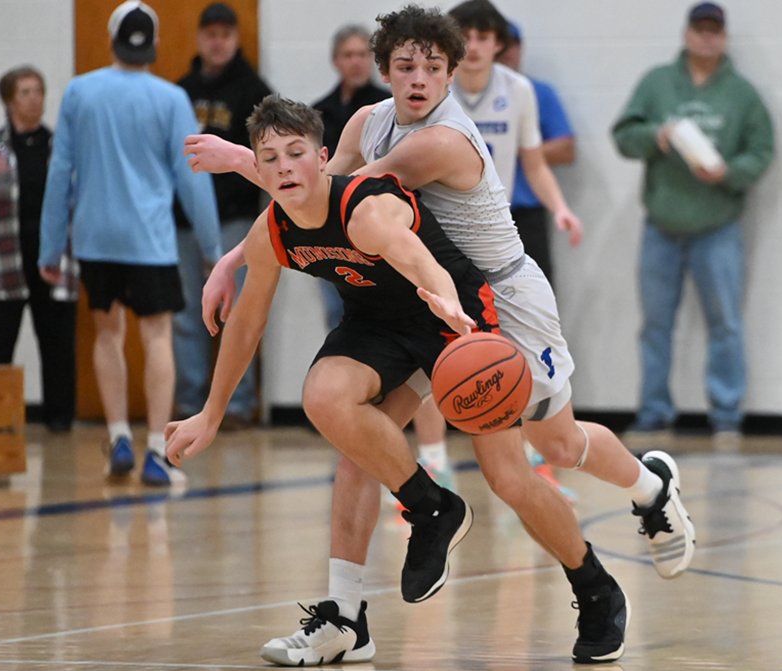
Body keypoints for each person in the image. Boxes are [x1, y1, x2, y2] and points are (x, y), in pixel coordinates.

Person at [185, 6, 695, 665]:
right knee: (357, 440)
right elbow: (313, 195)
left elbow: (343, 186)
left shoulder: (441, 141)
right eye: (405, 65)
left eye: (432, 66)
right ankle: (345, 614)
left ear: (453, 74)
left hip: (499, 295)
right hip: (419, 299)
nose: (418, 77)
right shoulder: (368, 121)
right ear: (385, 70)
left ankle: (645, 492)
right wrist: (237, 258)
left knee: (544, 452)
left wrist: (235, 159)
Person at [166, 94, 496, 666]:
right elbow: (246, 323)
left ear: (323, 158)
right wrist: (211, 412)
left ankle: (608, 554)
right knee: (331, 410)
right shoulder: (272, 230)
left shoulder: (363, 209)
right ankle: (365, 595)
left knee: (530, 461)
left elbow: (421, 262)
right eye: (269, 159)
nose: (284, 167)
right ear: (259, 169)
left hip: (450, 317)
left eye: (297, 154)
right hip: (377, 325)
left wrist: (446, 304)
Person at [39, 0, 222, 487]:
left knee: (107, 334)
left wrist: (49, 247)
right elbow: (193, 178)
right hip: (150, 241)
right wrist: (212, 248)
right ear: (155, 44)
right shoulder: (171, 99)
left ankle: (118, 435)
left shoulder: (80, 91)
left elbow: (61, 173)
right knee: (157, 336)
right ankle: (157, 452)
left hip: (95, 240)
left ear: (111, 39)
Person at [611, 2, 774, 442]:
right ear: (686, 34)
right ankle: (653, 411)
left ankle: (726, 416)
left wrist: (728, 173)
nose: (706, 37)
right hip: (660, 227)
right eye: (699, 29)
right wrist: (655, 137)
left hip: (718, 227)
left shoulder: (743, 94)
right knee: (655, 324)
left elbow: (762, 152)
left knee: (725, 324)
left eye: (714, 31)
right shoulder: (657, 83)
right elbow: (624, 136)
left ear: (723, 38)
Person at [446, 0, 584, 500]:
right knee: (434, 347)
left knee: (516, 349)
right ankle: (434, 465)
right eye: (468, 35)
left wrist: (561, 207)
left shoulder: (518, 91)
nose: (477, 45)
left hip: (499, 233)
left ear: (499, 42)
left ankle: (531, 460)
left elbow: (535, 163)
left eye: (486, 36)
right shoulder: (437, 91)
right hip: (442, 237)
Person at [172, 2, 273, 430]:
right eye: (210, 34)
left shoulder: (254, 89)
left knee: (239, 312)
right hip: (182, 223)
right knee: (185, 316)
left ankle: (235, 405)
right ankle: (190, 402)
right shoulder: (181, 91)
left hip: (235, 220)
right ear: (198, 40)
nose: (217, 42)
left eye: (225, 35)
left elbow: (270, 155)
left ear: (235, 39)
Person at [0, 65, 79, 434]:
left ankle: (60, 419)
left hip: (52, 260)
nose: (34, 99)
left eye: (38, 90)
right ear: (8, 99)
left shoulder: (60, 146)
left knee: (57, 345)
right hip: (5, 262)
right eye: (25, 92)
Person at [312, 24, 390, 332]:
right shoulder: (318, 112)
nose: (356, 61)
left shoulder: (387, 108)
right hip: (329, 224)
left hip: (375, 220)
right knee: (336, 313)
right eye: (349, 54)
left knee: (379, 312)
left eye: (363, 54)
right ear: (336, 60)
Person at [496, 19, 576, 288]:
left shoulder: (535, 92)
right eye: (501, 45)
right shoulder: (463, 95)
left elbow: (566, 148)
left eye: (513, 44)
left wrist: (515, 147)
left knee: (535, 291)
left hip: (526, 212)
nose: (507, 52)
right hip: (482, 214)